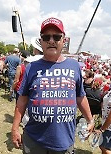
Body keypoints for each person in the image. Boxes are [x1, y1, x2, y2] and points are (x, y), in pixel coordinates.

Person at [11, 17, 94, 154]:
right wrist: (14, 128)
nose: (51, 41)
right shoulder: (31, 67)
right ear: (41, 40)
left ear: (63, 40)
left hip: (63, 141)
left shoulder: (74, 66)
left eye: (56, 37)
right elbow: (22, 100)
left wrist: (90, 120)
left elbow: (80, 97)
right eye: (46, 37)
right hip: (34, 140)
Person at [94, 66, 111, 154]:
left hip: (110, 127)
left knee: (104, 147)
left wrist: (102, 129)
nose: (110, 73)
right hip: (108, 124)